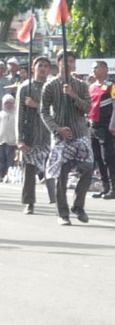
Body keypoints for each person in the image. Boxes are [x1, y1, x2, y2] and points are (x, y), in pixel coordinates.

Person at [39, 51, 93, 226]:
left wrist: (73, 95)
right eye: (65, 61)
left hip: (80, 133)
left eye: (71, 61)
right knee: (61, 174)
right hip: (61, 136)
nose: (68, 64)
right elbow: (44, 111)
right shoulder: (50, 86)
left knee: (88, 169)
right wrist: (57, 129)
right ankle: (63, 212)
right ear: (58, 63)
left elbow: (87, 108)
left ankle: (78, 206)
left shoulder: (81, 85)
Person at [16, 56, 54, 214]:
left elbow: (54, 112)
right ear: (33, 68)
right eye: (40, 66)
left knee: (53, 169)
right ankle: (29, 202)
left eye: (46, 66)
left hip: (50, 134)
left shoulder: (53, 87)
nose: (43, 68)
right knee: (29, 171)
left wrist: (36, 105)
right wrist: (19, 139)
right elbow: (20, 114)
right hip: (31, 133)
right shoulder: (25, 87)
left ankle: (56, 200)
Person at [88, 60, 115, 199]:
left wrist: (114, 126)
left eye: (96, 68)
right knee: (97, 157)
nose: (94, 70)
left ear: (104, 69)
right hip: (93, 125)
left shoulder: (113, 86)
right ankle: (105, 186)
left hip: (106, 125)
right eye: (93, 68)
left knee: (108, 157)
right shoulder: (91, 87)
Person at [0, 94, 16, 182]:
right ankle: (1, 175)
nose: (9, 105)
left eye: (11, 103)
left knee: (10, 160)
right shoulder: (1, 114)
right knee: (1, 159)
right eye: (7, 103)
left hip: (12, 141)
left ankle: (9, 176)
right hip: (1, 140)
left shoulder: (16, 115)